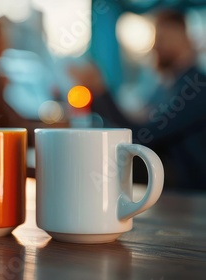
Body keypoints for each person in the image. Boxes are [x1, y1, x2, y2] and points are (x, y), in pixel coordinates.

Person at [76, 10, 206, 190]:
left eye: (161, 39)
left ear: (184, 38)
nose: (155, 47)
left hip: (193, 196)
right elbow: (140, 121)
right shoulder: (168, 86)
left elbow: (144, 135)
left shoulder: (198, 87)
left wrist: (100, 91)